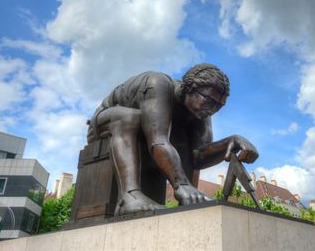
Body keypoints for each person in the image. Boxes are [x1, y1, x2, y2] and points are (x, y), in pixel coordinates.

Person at [87, 63, 258, 216]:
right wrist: (181, 185)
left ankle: (188, 202)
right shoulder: (158, 84)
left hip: (145, 131)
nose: (212, 109)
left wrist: (230, 142)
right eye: (209, 100)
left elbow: (198, 157)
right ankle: (128, 197)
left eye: (218, 106)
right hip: (103, 123)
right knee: (130, 118)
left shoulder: (202, 110)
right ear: (189, 87)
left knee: (182, 137)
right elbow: (157, 142)